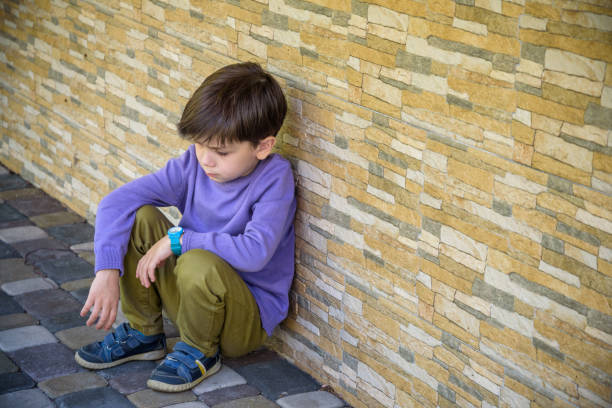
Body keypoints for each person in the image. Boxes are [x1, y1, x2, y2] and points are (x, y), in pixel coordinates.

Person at [74, 62, 296, 392]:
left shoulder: (275, 179)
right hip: (193, 301)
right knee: (140, 215)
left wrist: (179, 241)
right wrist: (106, 271)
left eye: (221, 151)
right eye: (200, 144)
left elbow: (255, 253)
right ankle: (144, 333)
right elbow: (115, 203)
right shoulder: (194, 164)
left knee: (195, 257)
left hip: (243, 322)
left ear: (263, 147)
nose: (206, 160)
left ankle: (200, 352)